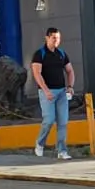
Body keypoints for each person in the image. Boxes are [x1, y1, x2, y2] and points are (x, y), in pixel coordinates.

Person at [30, 27, 73, 160]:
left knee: (63, 122)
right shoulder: (40, 54)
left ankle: (62, 150)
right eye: (54, 38)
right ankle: (40, 143)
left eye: (58, 38)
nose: (56, 41)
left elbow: (70, 71)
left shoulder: (61, 53)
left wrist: (70, 86)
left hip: (61, 92)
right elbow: (36, 73)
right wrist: (46, 90)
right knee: (48, 120)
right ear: (47, 38)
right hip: (46, 92)